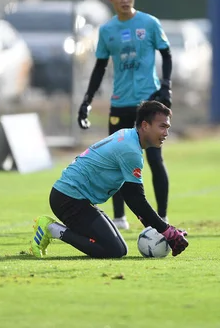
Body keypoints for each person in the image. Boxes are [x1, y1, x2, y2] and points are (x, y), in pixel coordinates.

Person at [30, 101, 188, 259]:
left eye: (167, 127)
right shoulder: (130, 150)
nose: (166, 133)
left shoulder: (128, 137)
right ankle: (52, 229)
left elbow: (129, 194)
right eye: (162, 126)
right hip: (69, 200)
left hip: (73, 198)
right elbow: (135, 198)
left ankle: (55, 229)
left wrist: (157, 227)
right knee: (114, 250)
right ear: (145, 125)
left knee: (120, 249)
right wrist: (167, 230)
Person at [77, 0, 173, 230]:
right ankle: (119, 218)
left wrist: (166, 86)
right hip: (120, 104)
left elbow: (166, 53)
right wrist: (87, 101)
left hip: (148, 102)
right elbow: (99, 67)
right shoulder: (107, 30)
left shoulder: (149, 23)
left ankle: (162, 216)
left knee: (154, 160)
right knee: (117, 162)